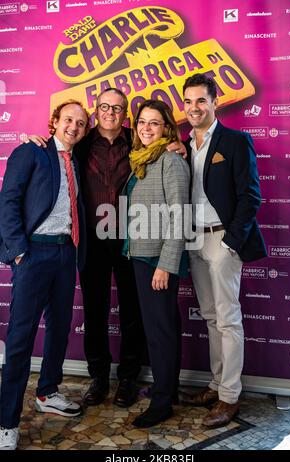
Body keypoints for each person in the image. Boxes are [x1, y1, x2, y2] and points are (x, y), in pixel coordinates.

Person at [25, 89, 186, 409]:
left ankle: (128, 377)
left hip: (132, 240)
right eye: (104, 107)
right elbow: (55, 149)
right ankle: (98, 376)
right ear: (96, 111)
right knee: (95, 312)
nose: (110, 112)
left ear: (126, 114)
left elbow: (170, 162)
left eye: (117, 108)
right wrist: (37, 141)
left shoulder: (139, 140)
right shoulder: (80, 143)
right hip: (92, 239)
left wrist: (180, 145)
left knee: (133, 312)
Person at [0, 100, 90, 450]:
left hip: (65, 252)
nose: (74, 127)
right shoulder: (31, 151)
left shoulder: (75, 162)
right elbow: (8, 202)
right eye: (68, 120)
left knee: (59, 327)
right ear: (54, 121)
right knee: (21, 339)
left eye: (81, 123)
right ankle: (7, 421)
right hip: (33, 254)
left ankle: (47, 391)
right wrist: (20, 251)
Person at [180, 74, 267, 427]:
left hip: (223, 240)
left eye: (201, 100)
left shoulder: (235, 141)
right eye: (188, 101)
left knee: (228, 319)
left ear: (215, 102)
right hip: (194, 240)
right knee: (212, 316)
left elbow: (250, 196)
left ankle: (230, 397)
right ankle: (217, 386)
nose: (194, 108)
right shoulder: (182, 145)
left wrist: (231, 241)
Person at [124, 99, 190, 428]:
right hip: (140, 255)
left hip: (156, 260)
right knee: (160, 328)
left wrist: (166, 264)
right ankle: (169, 389)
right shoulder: (141, 160)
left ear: (166, 127)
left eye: (154, 122)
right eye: (142, 123)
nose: (147, 128)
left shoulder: (170, 161)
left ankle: (162, 403)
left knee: (159, 331)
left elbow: (180, 217)